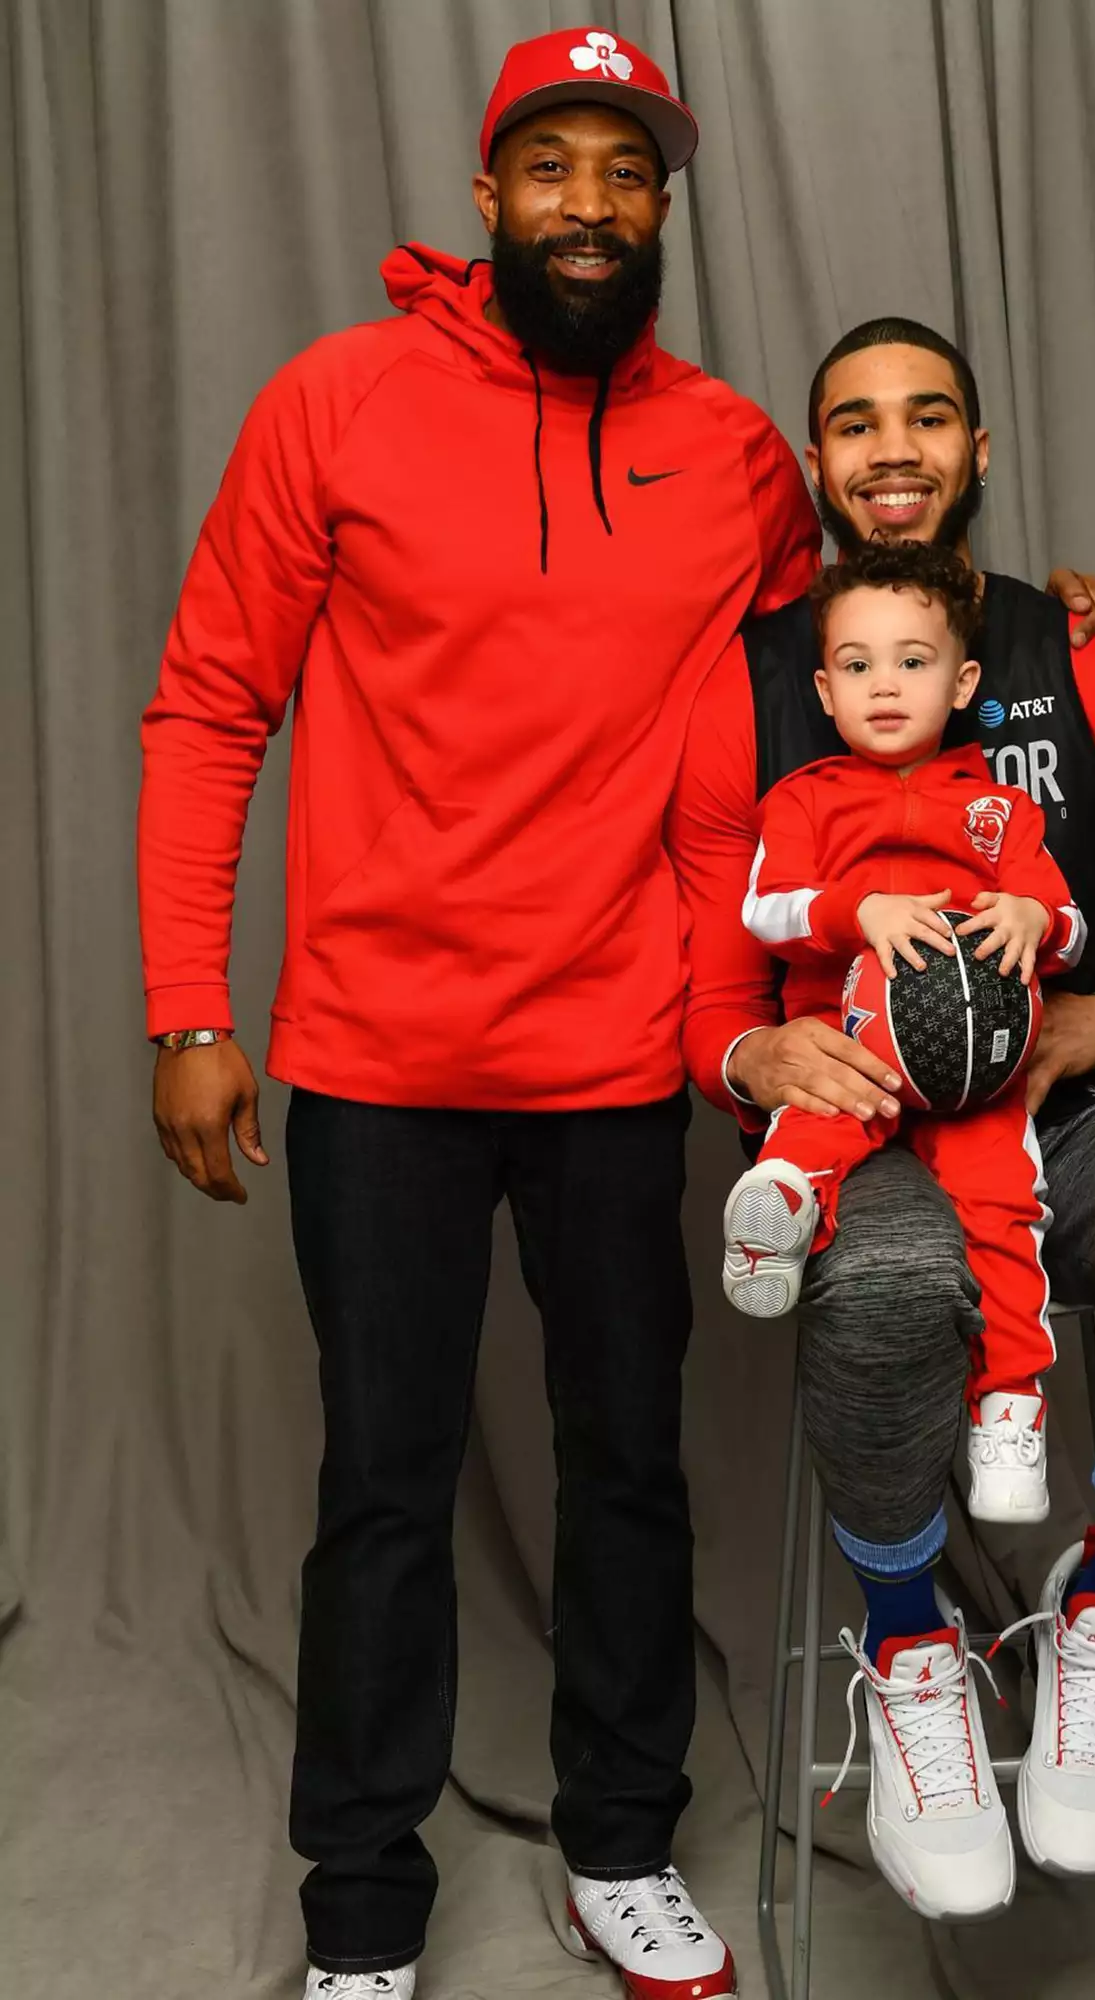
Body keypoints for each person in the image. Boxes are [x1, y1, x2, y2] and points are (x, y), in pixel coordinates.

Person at [138, 28, 824, 2000]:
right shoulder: (336, 405)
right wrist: (191, 1002)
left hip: (619, 1058)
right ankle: (361, 1907)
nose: (592, 207)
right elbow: (206, 707)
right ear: (488, 194)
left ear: (665, 207)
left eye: (628, 172)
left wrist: (1063, 627)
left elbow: (860, 663)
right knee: (382, 1481)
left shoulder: (732, 452)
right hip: (379, 1058)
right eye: (556, 168)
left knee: (628, 1462)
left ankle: (623, 1843)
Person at [668, 316, 1095, 1914]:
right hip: (851, 1107)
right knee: (893, 1281)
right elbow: (708, 1001)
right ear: (814, 462)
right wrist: (755, 1068)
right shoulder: (742, 690)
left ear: (979, 450)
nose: (891, 448)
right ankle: (908, 1652)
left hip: (1059, 1098)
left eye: (928, 417)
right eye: (853, 422)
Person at [724, 540, 1083, 1539]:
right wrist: (858, 908)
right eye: (858, 664)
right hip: (854, 1044)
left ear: (962, 679)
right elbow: (767, 908)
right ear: (825, 690)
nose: (886, 683)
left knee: (1007, 1211)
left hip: (977, 1074)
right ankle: (777, 1211)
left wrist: (1032, 920)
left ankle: (1010, 1405)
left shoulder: (1001, 809)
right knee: (814, 1126)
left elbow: (1071, 924)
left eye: (914, 661)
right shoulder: (801, 799)